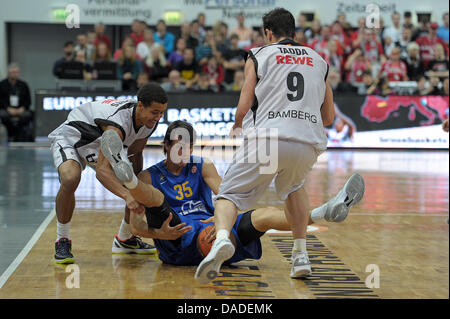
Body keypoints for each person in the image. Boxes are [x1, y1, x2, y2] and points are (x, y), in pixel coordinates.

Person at [194, 8, 365, 283]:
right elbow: (329, 117)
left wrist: (238, 124)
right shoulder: (319, 60)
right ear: (294, 32)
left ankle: (222, 239)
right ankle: (300, 257)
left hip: (268, 138)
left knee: (229, 196)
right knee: (294, 189)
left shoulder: (259, 55)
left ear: (268, 33)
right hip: (306, 142)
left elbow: (245, 103)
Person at [100, 120, 363, 268]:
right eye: (177, 148)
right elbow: (135, 226)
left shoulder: (203, 166)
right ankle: (130, 180)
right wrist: (158, 234)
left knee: (265, 215)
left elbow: (230, 197)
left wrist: (219, 222)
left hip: (210, 228)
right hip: (175, 239)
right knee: (157, 200)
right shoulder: (151, 175)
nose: (183, 155)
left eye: (187, 148)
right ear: (166, 145)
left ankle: (324, 212)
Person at [47, 83, 175, 264]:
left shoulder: (149, 122)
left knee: (136, 185)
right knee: (70, 178)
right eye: (155, 112)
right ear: (140, 106)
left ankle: (125, 239)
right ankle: (62, 239)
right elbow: (102, 171)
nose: (159, 117)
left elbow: (136, 153)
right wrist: (126, 195)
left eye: (162, 112)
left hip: (102, 141)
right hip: (74, 137)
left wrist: (136, 186)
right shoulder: (117, 124)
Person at [0, 63, 33, 142]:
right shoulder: (2, 84)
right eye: (12, 72)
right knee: (3, 115)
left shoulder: (23, 85)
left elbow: (28, 101)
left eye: (16, 72)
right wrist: (8, 108)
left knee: (28, 115)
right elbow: (0, 100)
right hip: (7, 109)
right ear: (9, 73)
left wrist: (22, 109)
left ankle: (19, 136)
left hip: (20, 109)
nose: (14, 74)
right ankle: (11, 134)